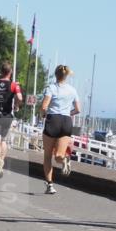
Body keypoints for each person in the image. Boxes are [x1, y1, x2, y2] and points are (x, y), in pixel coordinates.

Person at [40, 65, 80, 195]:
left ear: (55, 75)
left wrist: (43, 114)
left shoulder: (51, 88)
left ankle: (50, 185)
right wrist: (69, 113)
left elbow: (44, 106)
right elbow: (78, 109)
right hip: (66, 121)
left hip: (53, 120)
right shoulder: (72, 90)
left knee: (47, 156)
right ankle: (63, 160)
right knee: (58, 155)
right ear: (66, 76)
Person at [0, 62, 24, 178]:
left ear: (1, 72)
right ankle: (1, 160)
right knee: (4, 140)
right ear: (10, 72)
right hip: (8, 116)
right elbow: (20, 98)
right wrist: (16, 104)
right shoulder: (14, 85)